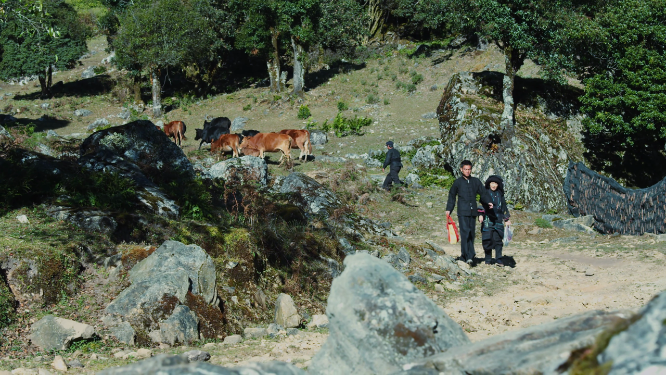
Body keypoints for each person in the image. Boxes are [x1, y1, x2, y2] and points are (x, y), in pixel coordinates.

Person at [446, 160, 492, 264]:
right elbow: (452, 195)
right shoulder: (457, 182)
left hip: (473, 212)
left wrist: (489, 201)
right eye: (465, 169)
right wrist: (449, 209)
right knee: (465, 233)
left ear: (471, 169)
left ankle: (470, 256)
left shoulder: (476, 181)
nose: (467, 171)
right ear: (461, 169)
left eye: (469, 169)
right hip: (462, 212)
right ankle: (465, 256)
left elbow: (483, 193)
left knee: (471, 233)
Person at [479, 175, 511, 266]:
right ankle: (488, 259)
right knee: (487, 240)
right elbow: (481, 204)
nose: (494, 185)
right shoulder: (484, 193)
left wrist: (506, 219)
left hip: (498, 220)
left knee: (498, 240)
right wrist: (480, 215)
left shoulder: (500, 195)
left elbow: (504, 208)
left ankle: (499, 259)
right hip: (487, 220)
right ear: (489, 184)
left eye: (496, 183)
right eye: (492, 183)